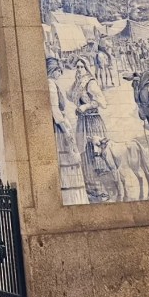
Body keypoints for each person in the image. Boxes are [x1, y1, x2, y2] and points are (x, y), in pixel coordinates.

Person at [47, 57, 88, 205]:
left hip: (61, 125)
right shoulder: (50, 85)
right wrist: (66, 131)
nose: (60, 73)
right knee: (68, 160)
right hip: (60, 129)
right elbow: (56, 112)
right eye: (59, 70)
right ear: (53, 70)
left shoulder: (53, 84)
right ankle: (73, 199)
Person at [69, 58, 108, 201]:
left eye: (81, 66)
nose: (79, 69)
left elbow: (102, 101)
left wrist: (86, 106)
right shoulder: (78, 83)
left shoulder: (91, 83)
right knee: (84, 153)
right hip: (82, 121)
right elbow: (69, 95)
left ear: (86, 67)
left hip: (93, 121)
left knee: (95, 154)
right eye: (77, 67)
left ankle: (101, 189)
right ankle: (91, 188)